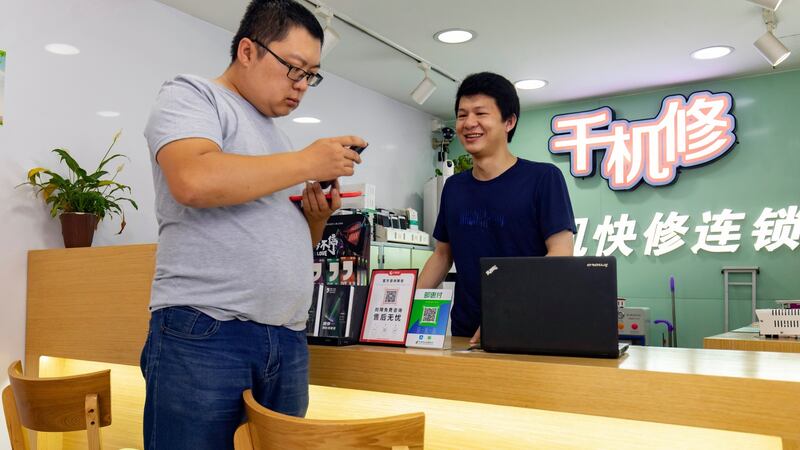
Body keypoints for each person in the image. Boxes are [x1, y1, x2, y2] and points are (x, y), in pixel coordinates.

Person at [140, 1, 367, 449]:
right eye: (294, 69)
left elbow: (277, 241)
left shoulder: (276, 137)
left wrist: (315, 221)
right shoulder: (192, 95)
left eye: (311, 76)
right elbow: (193, 180)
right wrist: (307, 159)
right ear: (247, 50)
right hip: (207, 328)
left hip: (284, 339)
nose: (302, 86)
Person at [417, 72, 576, 345]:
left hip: (529, 328)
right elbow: (442, 255)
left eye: (481, 113)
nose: (469, 123)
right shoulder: (454, 187)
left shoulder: (543, 178)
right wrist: (405, 308)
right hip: (465, 333)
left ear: (509, 121)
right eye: (462, 114)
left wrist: (506, 315)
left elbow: (561, 254)